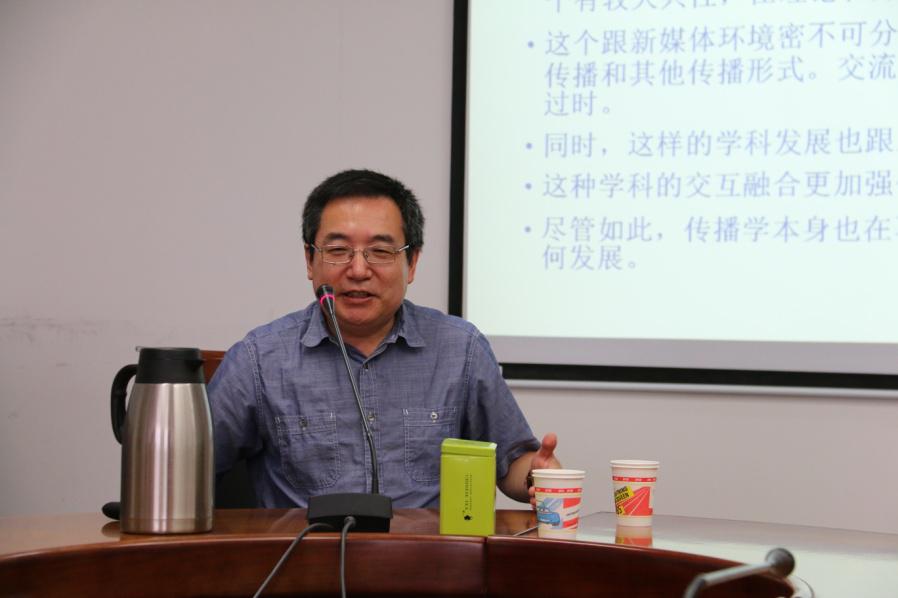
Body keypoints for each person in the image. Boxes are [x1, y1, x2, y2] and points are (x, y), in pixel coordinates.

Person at [208, 169, 560, 508]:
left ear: (412, 262)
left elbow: (512, 462)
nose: (359, 270)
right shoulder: (260, 359)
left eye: (380, 251)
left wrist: (537, 476)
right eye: (338, 250)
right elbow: (193, 470)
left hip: (425, 549)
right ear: (310, 260)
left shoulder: (460, 349)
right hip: (303, 549)